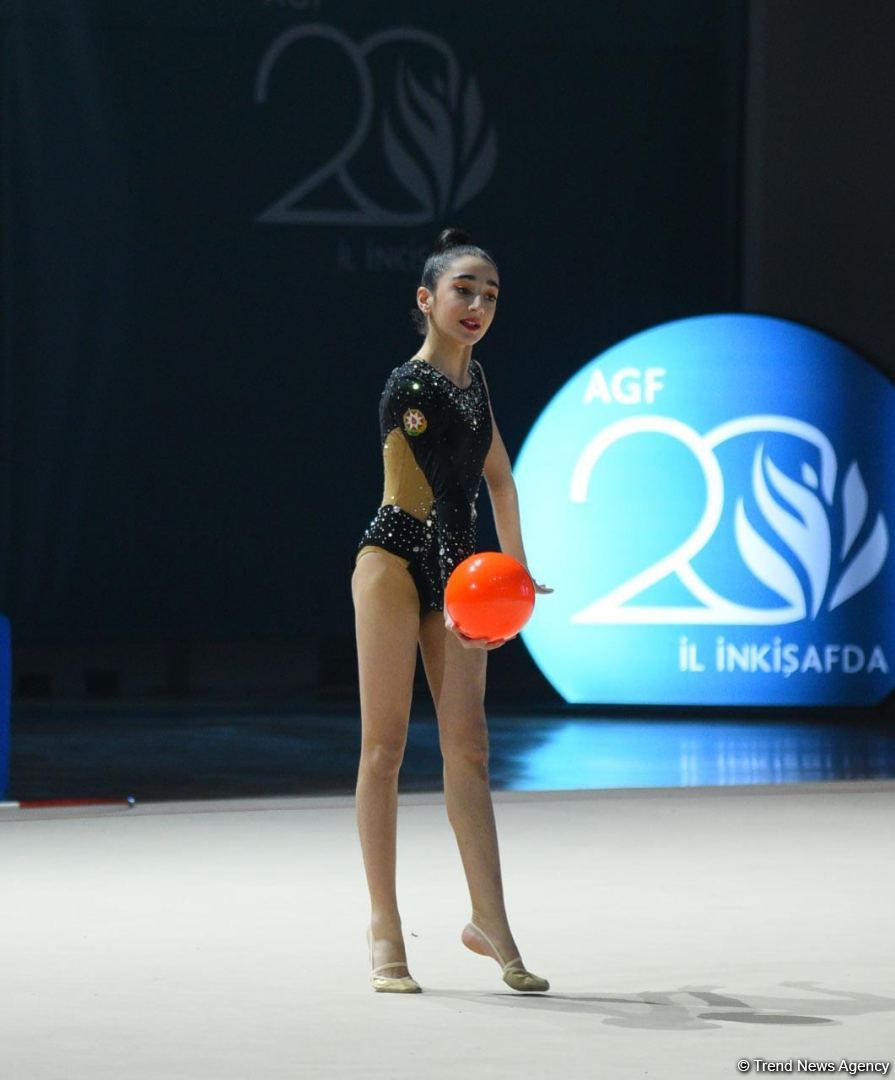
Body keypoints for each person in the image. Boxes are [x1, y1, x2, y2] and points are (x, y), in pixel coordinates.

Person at [352, 227, 552, 994]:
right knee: (386, 748)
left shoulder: (476, 385)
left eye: (490, 294)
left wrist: (516, 575)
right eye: (463, 290)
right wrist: (478, 590)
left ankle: (489, 921)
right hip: (395, 563)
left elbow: (498, 482)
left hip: (458, 575)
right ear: (426, 300)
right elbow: (436, 499)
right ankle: (383, 929)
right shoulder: (411, 388)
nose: (477, 305)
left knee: (469, 750)